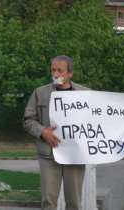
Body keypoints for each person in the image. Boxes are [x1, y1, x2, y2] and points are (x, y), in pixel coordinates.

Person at [23, 55, 88, 210]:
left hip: (75, 155)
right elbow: (27, 120)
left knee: (74, 202)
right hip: (49, 155)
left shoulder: (86, 93)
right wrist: (43, 131)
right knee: (48, 202)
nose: (56, 74)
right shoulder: (40, 93)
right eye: (53, 70)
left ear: (70, 73)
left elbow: (107, 113)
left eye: (60, 70)